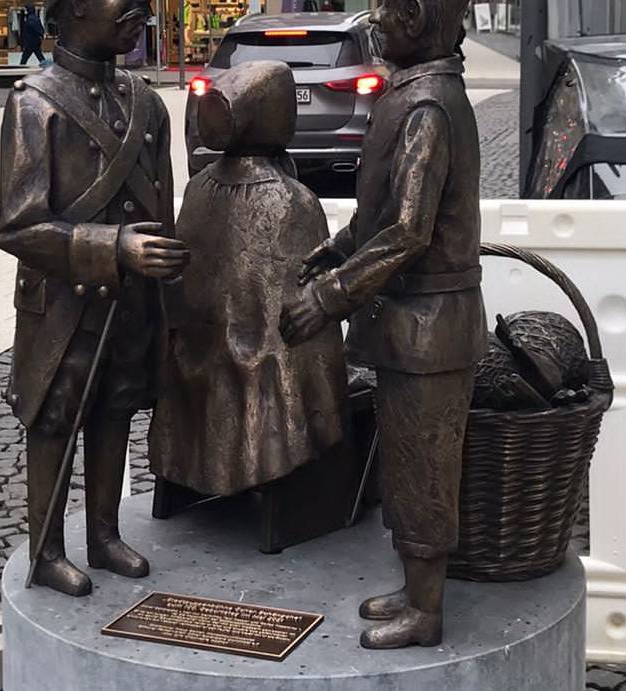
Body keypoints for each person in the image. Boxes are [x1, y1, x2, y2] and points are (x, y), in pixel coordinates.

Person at [280, 0, 482, 649]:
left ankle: (426, 609)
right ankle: (414, 586)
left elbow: (407, 230)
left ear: (418, 23)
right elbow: (380, 212)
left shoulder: (428, 106)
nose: (374, 19)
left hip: (431, 325)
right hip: (408, 325)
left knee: (425, 467)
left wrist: (331, 295)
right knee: (405, 462)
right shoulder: (413, 93)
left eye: (387, 10)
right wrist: (336, 249)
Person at [0, 0, 187, 597]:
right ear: (75, 9)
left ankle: (103, 536)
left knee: (115, 409)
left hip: (130, 301)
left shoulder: (148, 103)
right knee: (54, 419)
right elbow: (19, 227)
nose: (140, 11)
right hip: (62, 302)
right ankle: (47, 551)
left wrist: (167, 262)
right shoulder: (33, 102)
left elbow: (163, 210)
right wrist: (113, 247)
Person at [150, 60, 347, 498]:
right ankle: (304, 458)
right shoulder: (294, 200)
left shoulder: (198, 189)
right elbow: (305, 314)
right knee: (311, 331)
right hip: (262, 381)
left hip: (195, 372)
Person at [19, 2, 48, 66]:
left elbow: (35, 28)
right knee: (39, 55)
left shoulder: (31, 19)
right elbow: (39, 28)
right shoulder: (34, 18)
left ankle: (20, 67)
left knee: (25, 57)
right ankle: (46, 66)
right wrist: (42, 33)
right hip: (35, 41)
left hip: (31, 41)